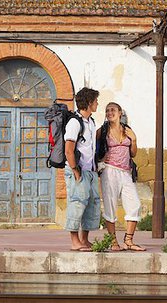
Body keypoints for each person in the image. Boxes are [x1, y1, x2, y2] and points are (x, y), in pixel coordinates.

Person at [97, 102, 145, 251]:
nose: (109, 112)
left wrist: (134, 140)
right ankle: (113, 242)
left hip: (125, 172)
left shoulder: (127, 130)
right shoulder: (102, 131)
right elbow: (94, 148)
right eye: (107, 110)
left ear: (120, 113)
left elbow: (133, 153)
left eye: (113, 110)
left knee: (135, 204)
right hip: (109, 171)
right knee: (110, 206)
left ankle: (129, 240)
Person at [64, 87, 100, 251]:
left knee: (91, 205)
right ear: (89, 102)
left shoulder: (91, 122)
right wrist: (75, 171)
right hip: (78, 171)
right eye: (95, 101)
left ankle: (84, 239)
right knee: (77, 204)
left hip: (90, 171)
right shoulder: (74, 122)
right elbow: (68, 150)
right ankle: (74, 241)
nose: (97, 103)